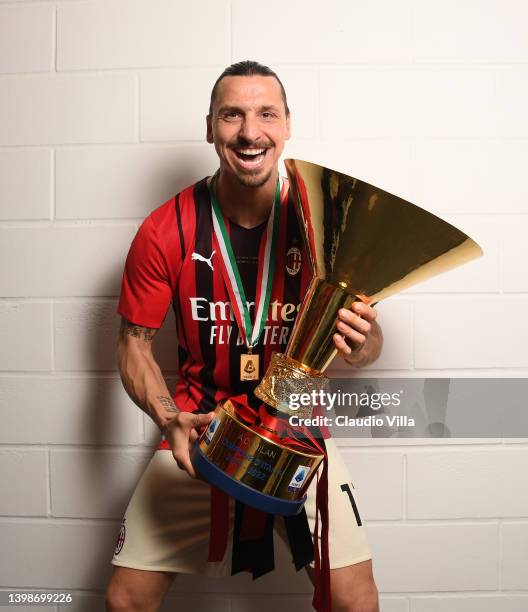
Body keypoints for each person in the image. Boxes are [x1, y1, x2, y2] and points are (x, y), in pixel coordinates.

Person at [105, 60, 383, 612]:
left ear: (286, 125)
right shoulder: (165, 228)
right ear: (210, 126)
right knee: (125, 600)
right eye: (232, 115)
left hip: (297, 432)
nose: (250, 132)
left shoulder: (325, 218)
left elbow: (369, 346)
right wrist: (168, 418)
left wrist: (362, 338)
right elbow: (132, 345)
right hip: (199, 426)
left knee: (356, 603)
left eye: (265, 114)